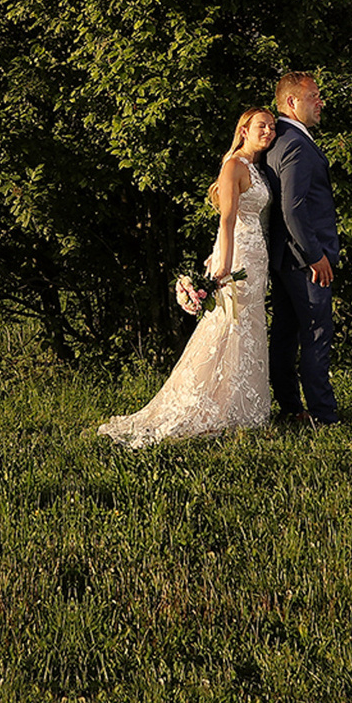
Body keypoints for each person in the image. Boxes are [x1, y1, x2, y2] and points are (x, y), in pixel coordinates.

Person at [96, 108, 278, 448]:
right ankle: (206, 407)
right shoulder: (234, 166)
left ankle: (239, 407)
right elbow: (226, 220)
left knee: (248, 329)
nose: (268, 131)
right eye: (261, 126)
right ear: (244, 130)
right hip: (238, 257)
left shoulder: (256, 167)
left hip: (257, 258)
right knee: (226, 328)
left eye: (271, 126)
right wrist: (222, 262)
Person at [262, 70, 343, 425]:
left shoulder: (276, 139)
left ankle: (291, 408)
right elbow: (292, 207)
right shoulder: (294, 143)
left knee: (284, 334)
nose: (321, 102)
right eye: (314, 96)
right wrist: (316, 256)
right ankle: (323, 415)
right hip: (305, 259)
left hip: (284, 258)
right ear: (292, 102)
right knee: (315, 334)